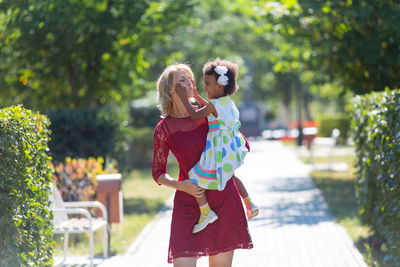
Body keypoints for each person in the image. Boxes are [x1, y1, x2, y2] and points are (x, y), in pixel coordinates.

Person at [152, 63, 253, 266]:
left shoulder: (209, 113)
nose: (188, 82)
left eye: (189, 78)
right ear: (169, 89)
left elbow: (240, 141)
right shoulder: (164, 128)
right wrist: (181, 185)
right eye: (181, 79)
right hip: (188, 202)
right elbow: (158, 173)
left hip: (223, 199)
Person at [174, 58, 259, 234]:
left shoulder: (214, 104)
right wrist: (197, 97)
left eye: (208, 84)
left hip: (217, 149)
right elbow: (213, 111)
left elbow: (197, 115)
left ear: (220, 86)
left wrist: (184, 98)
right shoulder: (228, 103)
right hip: (230, 147)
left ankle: (205, 212)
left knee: (195, 177)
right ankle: (249, 201)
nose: (204, 88)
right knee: (231, 176)